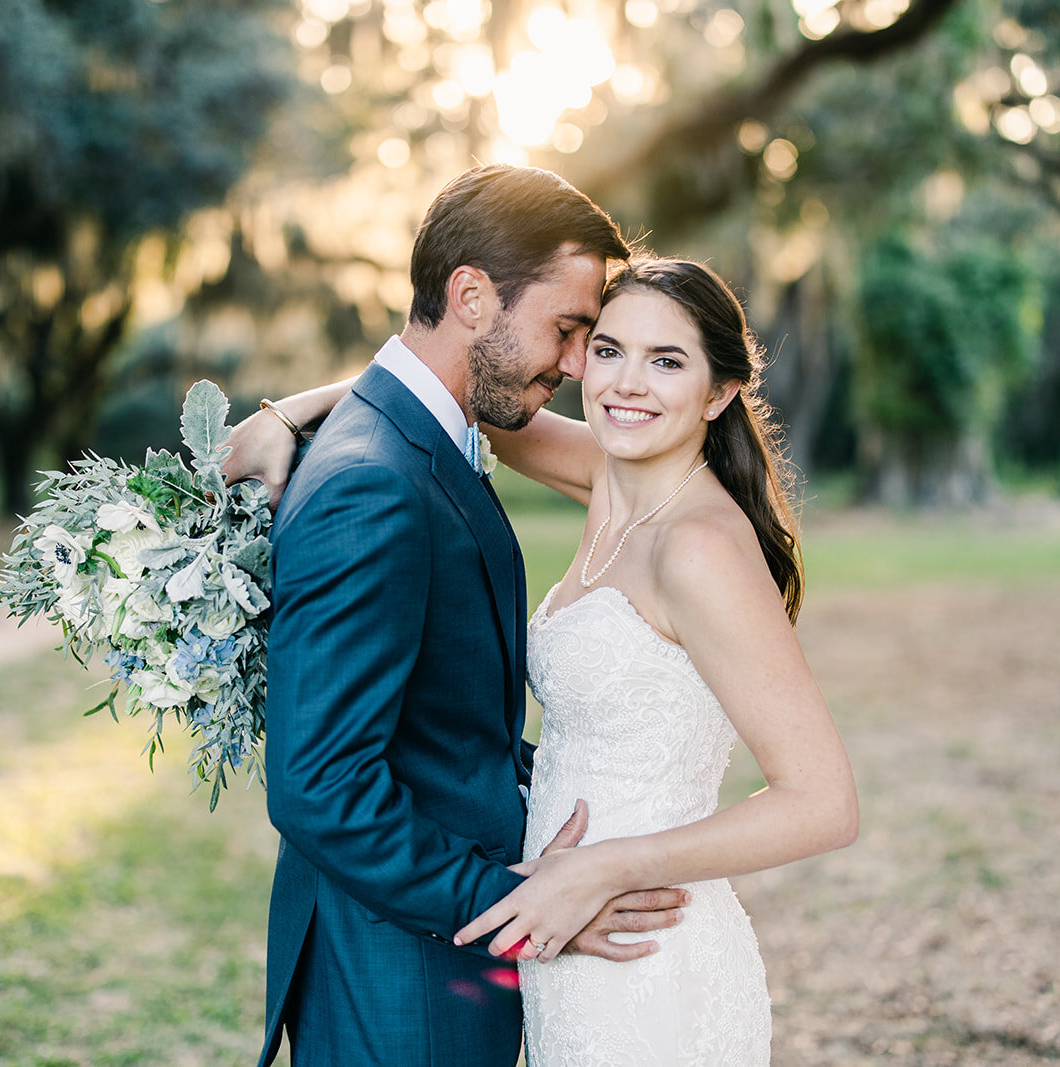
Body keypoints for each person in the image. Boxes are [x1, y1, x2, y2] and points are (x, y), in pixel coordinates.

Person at [242, 256, 860, 1064]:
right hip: (564, 942)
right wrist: (290, 412)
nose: (625, 384)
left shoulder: (700, 547)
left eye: (666, 361)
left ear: (718, 392)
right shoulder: (612, 474)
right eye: (606, 349)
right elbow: (430, 396)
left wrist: (603, 870)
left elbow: (824, 802)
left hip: (644, 944)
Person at [226, 165, 690, 1067]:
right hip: (404, 979)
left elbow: (440, 723)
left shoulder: (421, 435)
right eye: (567, 331)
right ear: (471, 295)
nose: (572, 365)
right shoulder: (373, 478)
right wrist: (519, 900)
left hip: (418, 961)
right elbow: (318, 786)